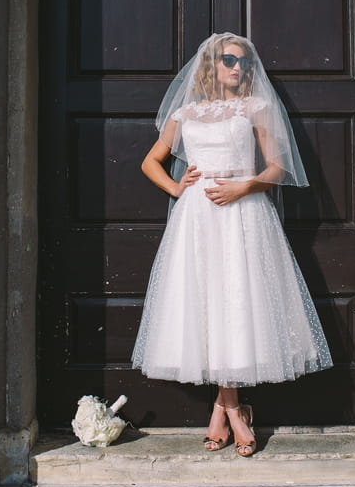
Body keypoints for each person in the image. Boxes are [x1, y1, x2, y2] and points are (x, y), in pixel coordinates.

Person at [132, 33, 332, 457]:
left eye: (243, 62)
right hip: (197, 218)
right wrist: (176, 187)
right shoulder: (185, 113)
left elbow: (278, 168)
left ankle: (226, 411)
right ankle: (235, 409)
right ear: (212, 65)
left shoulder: (255, 108)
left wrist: (244, 187)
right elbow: (150, 161)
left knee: (237, 306)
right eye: (229, 60)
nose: (238, 68)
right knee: (206, 308)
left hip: (244, 215)